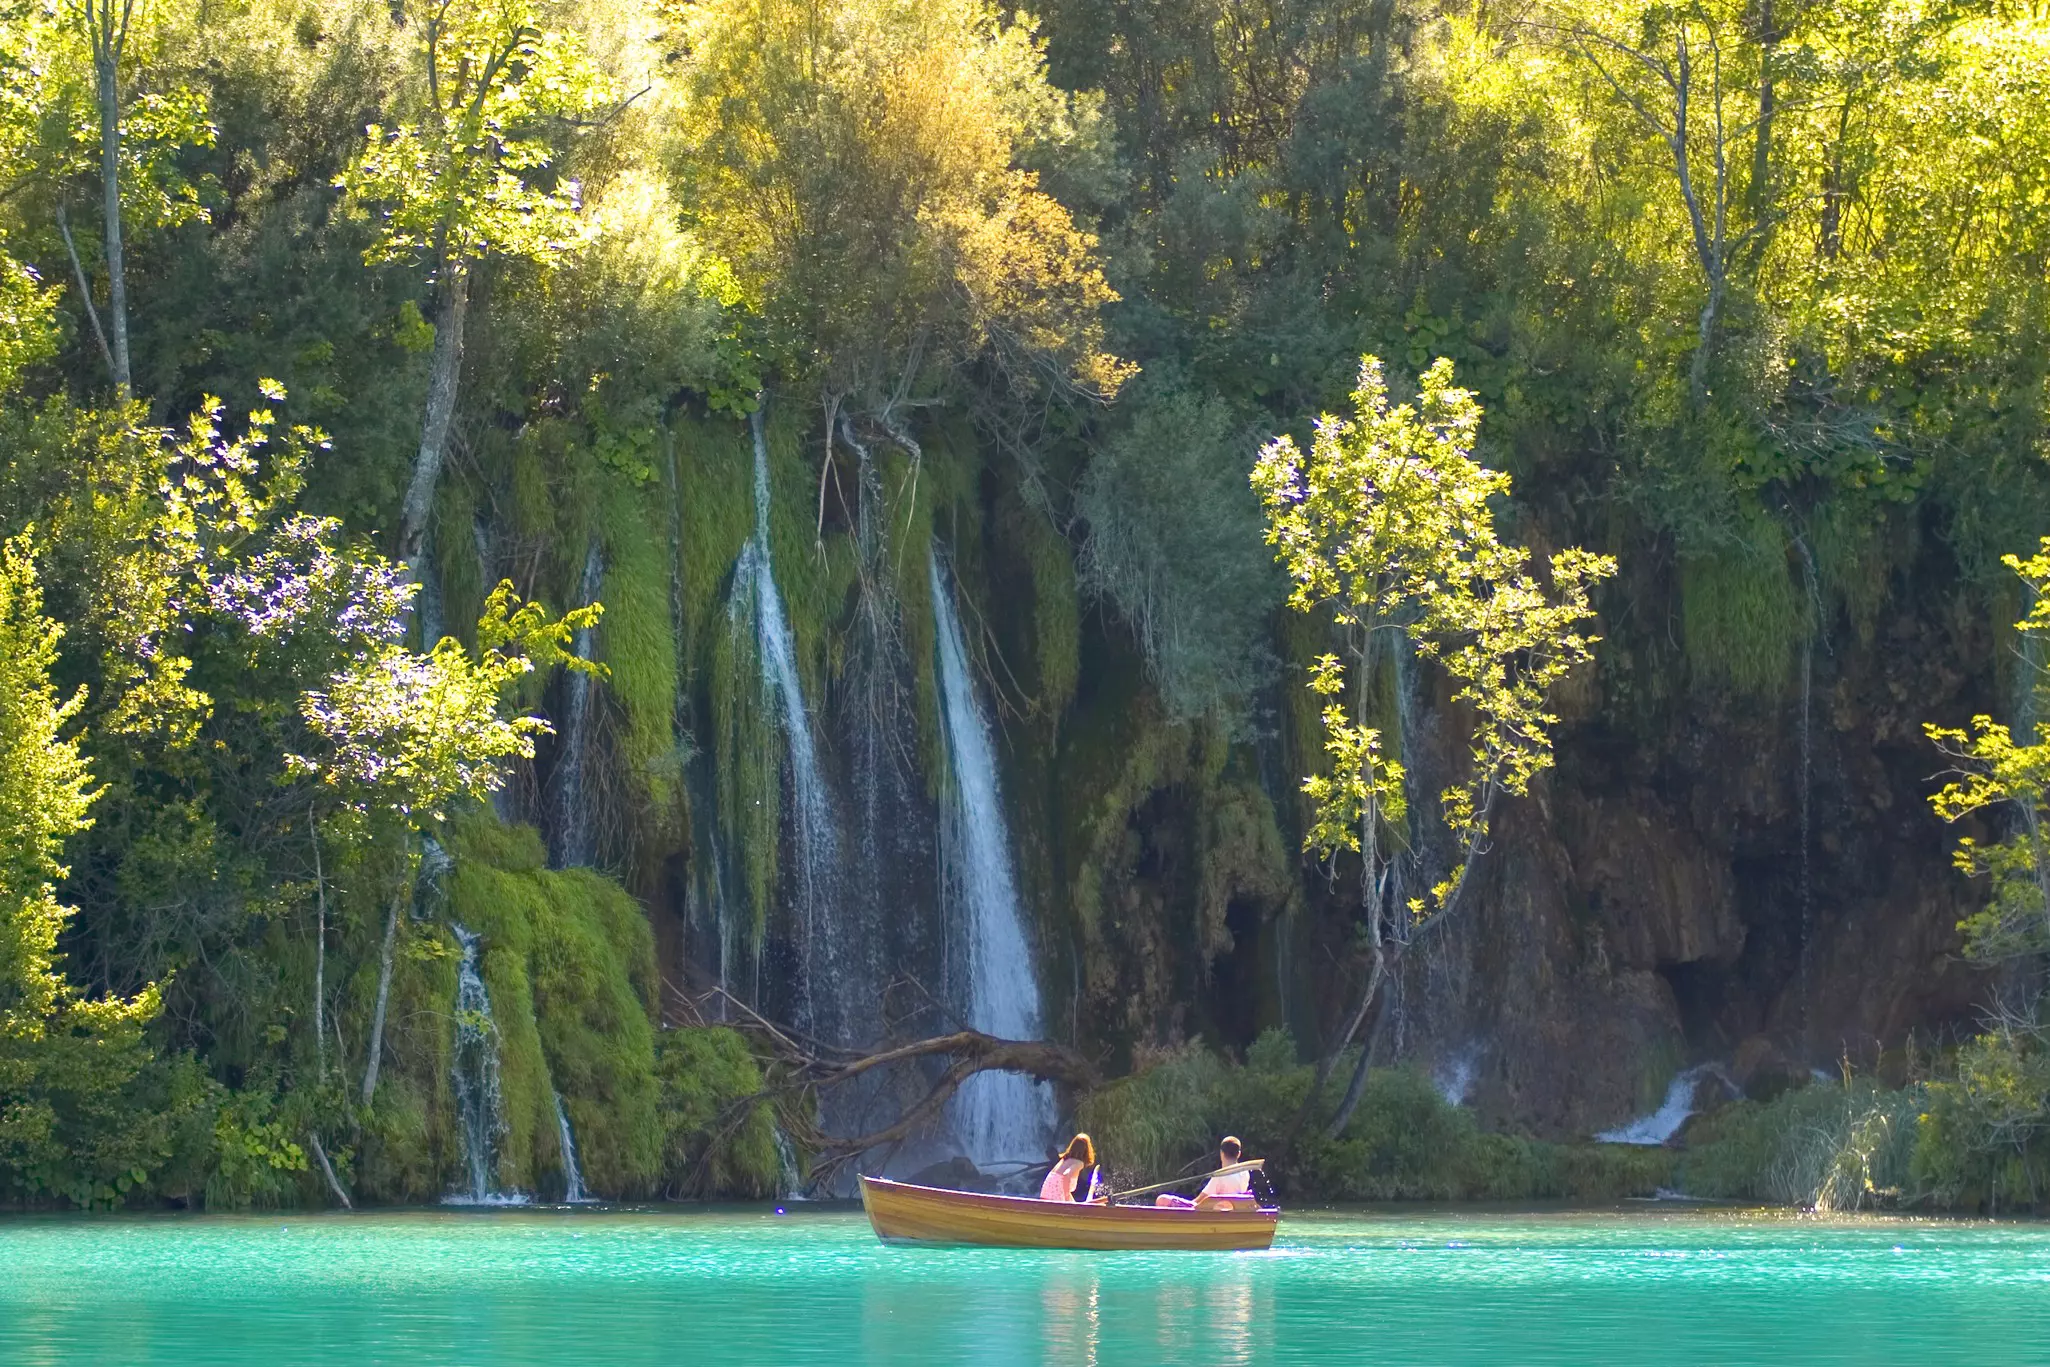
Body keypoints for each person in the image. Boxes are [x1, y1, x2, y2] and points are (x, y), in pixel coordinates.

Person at [1154, 1136, 1257, 1209]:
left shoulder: (1219, 1176)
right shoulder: (1245, 1173)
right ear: (1238, 1154)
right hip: (1230, 1210)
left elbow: (1197, 1202)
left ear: (1221, 1153)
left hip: (1214, 1212)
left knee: (1162, 1199)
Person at [1039, 1133, 1104, 1203]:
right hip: (1055, 1197)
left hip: (1045, 1194)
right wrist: (1066, 1197)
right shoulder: (1079, 1163)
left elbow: (1059, 1181)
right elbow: (1066, 1175)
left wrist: (1072, 1201)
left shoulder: (1064, 1160)